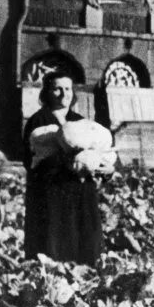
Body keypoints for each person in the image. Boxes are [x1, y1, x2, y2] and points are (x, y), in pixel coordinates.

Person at [23, 71, 104, 265]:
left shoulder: (80, 121)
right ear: (47, 93)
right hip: (52, 191)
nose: (63, 93)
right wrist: (64, 159)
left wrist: (104, 168)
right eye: (57, 89)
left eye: (67, 89)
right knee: (53, 243)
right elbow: (29, 160)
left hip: (81, 190)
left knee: (83, 239)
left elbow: (99, 149)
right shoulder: (38, 121)